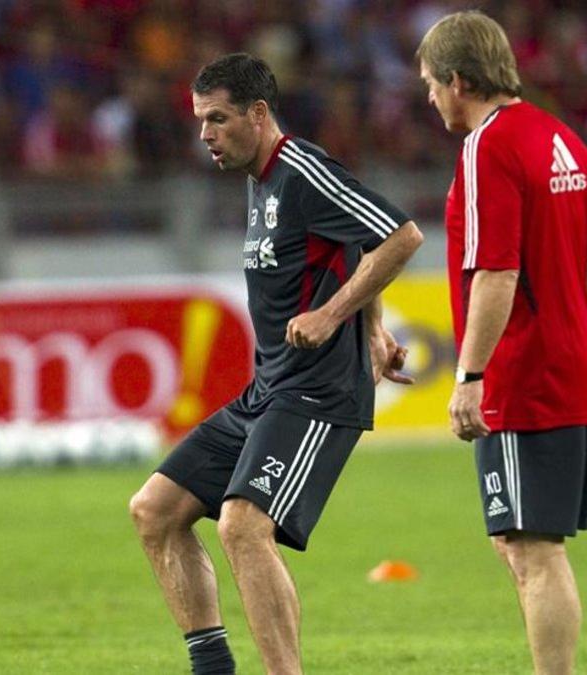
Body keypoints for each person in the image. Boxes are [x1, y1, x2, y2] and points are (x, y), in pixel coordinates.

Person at [128, 53, 423, 674]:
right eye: (200, 120)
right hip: (267, 390)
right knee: (154, 511)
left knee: (241, 526)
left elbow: (400, 236)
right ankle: (213, 666)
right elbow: (348, 242)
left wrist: (334, 316)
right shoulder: (258, 177)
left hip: (317, 394)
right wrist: (374, 327)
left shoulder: (303, 169)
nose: (204, 134)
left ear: (258, 115)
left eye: (217, 119)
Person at [416, 11, 587, 675]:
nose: (430, 98)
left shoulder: (488, 146)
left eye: (432, 84)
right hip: (577, 363)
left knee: (533, 551)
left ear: (459, 79)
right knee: (517, 539)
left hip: (526, 377)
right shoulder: (564, 139)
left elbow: (496, 271)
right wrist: (568, 334)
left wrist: (471, 374)